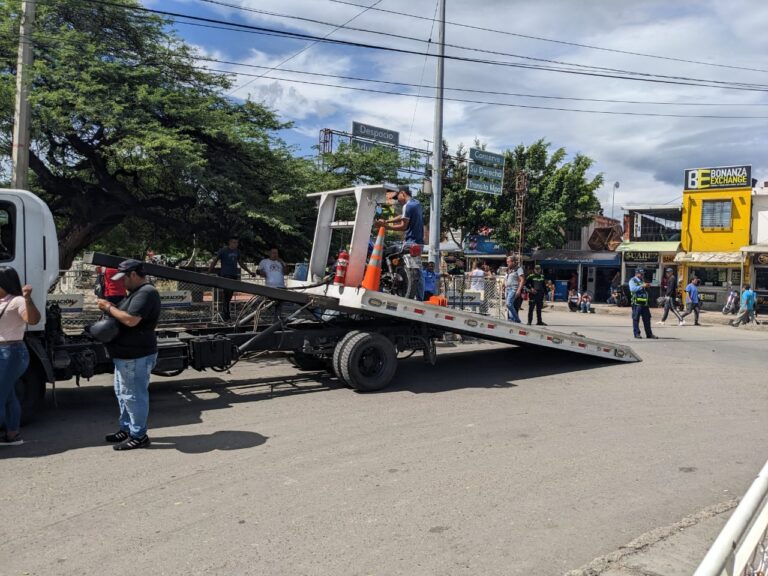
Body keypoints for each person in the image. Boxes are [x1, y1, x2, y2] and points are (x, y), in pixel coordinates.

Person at [96, 259, 161, 451]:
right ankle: (127, 428)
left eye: (123, 278)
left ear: (133, 274)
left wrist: (108, 307)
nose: (120, 283)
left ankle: (139, 435)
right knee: (123, 394)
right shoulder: (135, 292)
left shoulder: (147, 293)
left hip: (136, 355)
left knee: (133, 396)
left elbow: (131, 320)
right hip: (126, 355)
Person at [0, 267, 42, 446]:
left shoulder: (17, 301)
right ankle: (12, 434)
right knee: (8, 395)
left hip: (12, 352)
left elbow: (33, 320)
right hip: (5, 353)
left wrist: (27, 298)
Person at [208, 237, 255, 321]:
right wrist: (209, 271)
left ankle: (225, 314)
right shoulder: (223, 250)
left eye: (237, 243)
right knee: (227, 294)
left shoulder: (237, 252)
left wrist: (249, 272)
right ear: (230, 243)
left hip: (234, 275)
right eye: (234, 242)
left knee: (229, 296)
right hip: (226, 275)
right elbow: (215, 260)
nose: (235, 244)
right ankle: (226, 315)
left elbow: (241, 263)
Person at [628, 268, 657, 339]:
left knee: (647, 319)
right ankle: (637, 334)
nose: (642, 275)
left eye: (643, 274)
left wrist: (647, 286)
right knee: (636, 319)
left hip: (644, 303)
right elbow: (632, 289)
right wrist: (642, 286)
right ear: (636, 273)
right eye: (641, 274)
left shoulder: (642, 281)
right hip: (636, 303)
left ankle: (649, 334)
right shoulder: (632, 280)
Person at [504, 256, 524, 323]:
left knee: (508, 304)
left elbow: (522, 280)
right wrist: (504, 285)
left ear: (513, 262)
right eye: (507, 262)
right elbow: (507, 279)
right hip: (507, 289)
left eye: (508, 262)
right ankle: (512, 320)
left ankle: (517, 319)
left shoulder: (518, 269)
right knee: (509, 305)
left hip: (513, 289)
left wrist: (519, 290)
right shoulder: (508, 270)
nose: (507, 263)